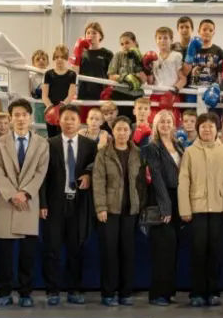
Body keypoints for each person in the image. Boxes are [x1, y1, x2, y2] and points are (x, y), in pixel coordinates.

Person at [0, 99, 50, 308]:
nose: (21, 118)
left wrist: (25, 193)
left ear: (30, 117)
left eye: (24, 114)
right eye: (16, 115)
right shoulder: (0, 143)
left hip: (29, 201)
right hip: (7, 202)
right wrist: (12, 194)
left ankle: (26, 293)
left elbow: (41, 172)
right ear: (10, 118)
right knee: (4, 253)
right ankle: (4, 292)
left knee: (28, 252)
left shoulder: (42, 143)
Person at [40, 105, 98, 306]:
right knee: (52, 249)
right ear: (59, 121)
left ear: (79, 122)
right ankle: (52, 290)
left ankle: (74, 289)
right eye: (66, 118)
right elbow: (42, 176)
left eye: (73, 118)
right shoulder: (49, 144)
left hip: (79, 203)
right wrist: (42, 203)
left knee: (76, 249)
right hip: (54, 203)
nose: (69, 122)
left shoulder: (89, 145)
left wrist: (88, 174)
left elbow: (95, 166)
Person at [178, 112, 223, 307]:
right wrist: (185, 209)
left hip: (219, 208)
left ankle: (213, 292)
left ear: (217, 129)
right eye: (203, 126)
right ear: (198, 129)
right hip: (197, 209)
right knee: (198, 251)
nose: (207, 129)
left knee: (216, 252)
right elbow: (183, 181)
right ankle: (197, 293)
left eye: (211, 126)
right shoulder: (189, 152)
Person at [92, 116, 145, 306]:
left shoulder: (138, 153)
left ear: (130, 132)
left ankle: (125, 293)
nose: (122, 133)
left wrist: (140, 205)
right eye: (118, 129)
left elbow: (141, 183)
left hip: (130, 211)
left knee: (128, 253)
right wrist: (101, 207)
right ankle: (108, 293)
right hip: (109, 211)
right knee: (109, 253)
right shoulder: (103, 154)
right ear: (112, 132)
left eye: (125, 130)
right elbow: (98, 182)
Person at [141, 110, 185, 305]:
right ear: (156, 126)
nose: (166, 125)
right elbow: (157, 177)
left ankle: (169, 291)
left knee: (173, 248)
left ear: (173, 124)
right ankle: (158, 294)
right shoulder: (151, 148)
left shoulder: (179, 145)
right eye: (162, 122)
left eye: (169, 121)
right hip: (161, 199)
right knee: (162, 249)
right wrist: (165, 208)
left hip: (178, 199)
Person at [72, 22, 115, 112]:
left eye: (94, 33)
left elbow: (112, 75)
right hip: (83, 94)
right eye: (88, 33)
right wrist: (77, 54)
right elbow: (74, 73)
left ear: (100, 36)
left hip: (101, 94)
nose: (90, 36)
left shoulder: (107, 54)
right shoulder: (82, 54)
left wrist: (110, 90)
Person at [150, 26, 187, 123]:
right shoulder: (153, 58)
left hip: (172, 94)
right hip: (156, 94)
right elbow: (150, 81)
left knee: (172, 124)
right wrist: (147, 69)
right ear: (156, 40)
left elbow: (183, 79)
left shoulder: (176, 56)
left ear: (171, 40)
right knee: (155, 124)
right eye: (159, 38)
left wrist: (172, 92)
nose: (162, 40)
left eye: (165, 38)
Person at [41, 44, 79, 138]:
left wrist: (61, 107)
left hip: (65, 109)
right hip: (50, 110)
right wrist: (51, 108)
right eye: (57, 57)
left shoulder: (72, 74)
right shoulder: (48, 74)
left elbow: (71, 94)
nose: (59, 59)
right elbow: (44, 95)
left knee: (65, 136)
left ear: (66, 58)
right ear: (54, 58)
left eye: (62, 57)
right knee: (51, 137)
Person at [185, 19, 223, 88]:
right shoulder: (191, 49)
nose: (207, 32)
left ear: (213, 33)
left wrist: (217, 87)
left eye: (210, 30)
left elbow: (221, 74)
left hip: (211, 89)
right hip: (192, 88)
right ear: (199, 31)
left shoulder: (219, 51)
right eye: (204, 29)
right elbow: (185, 72)